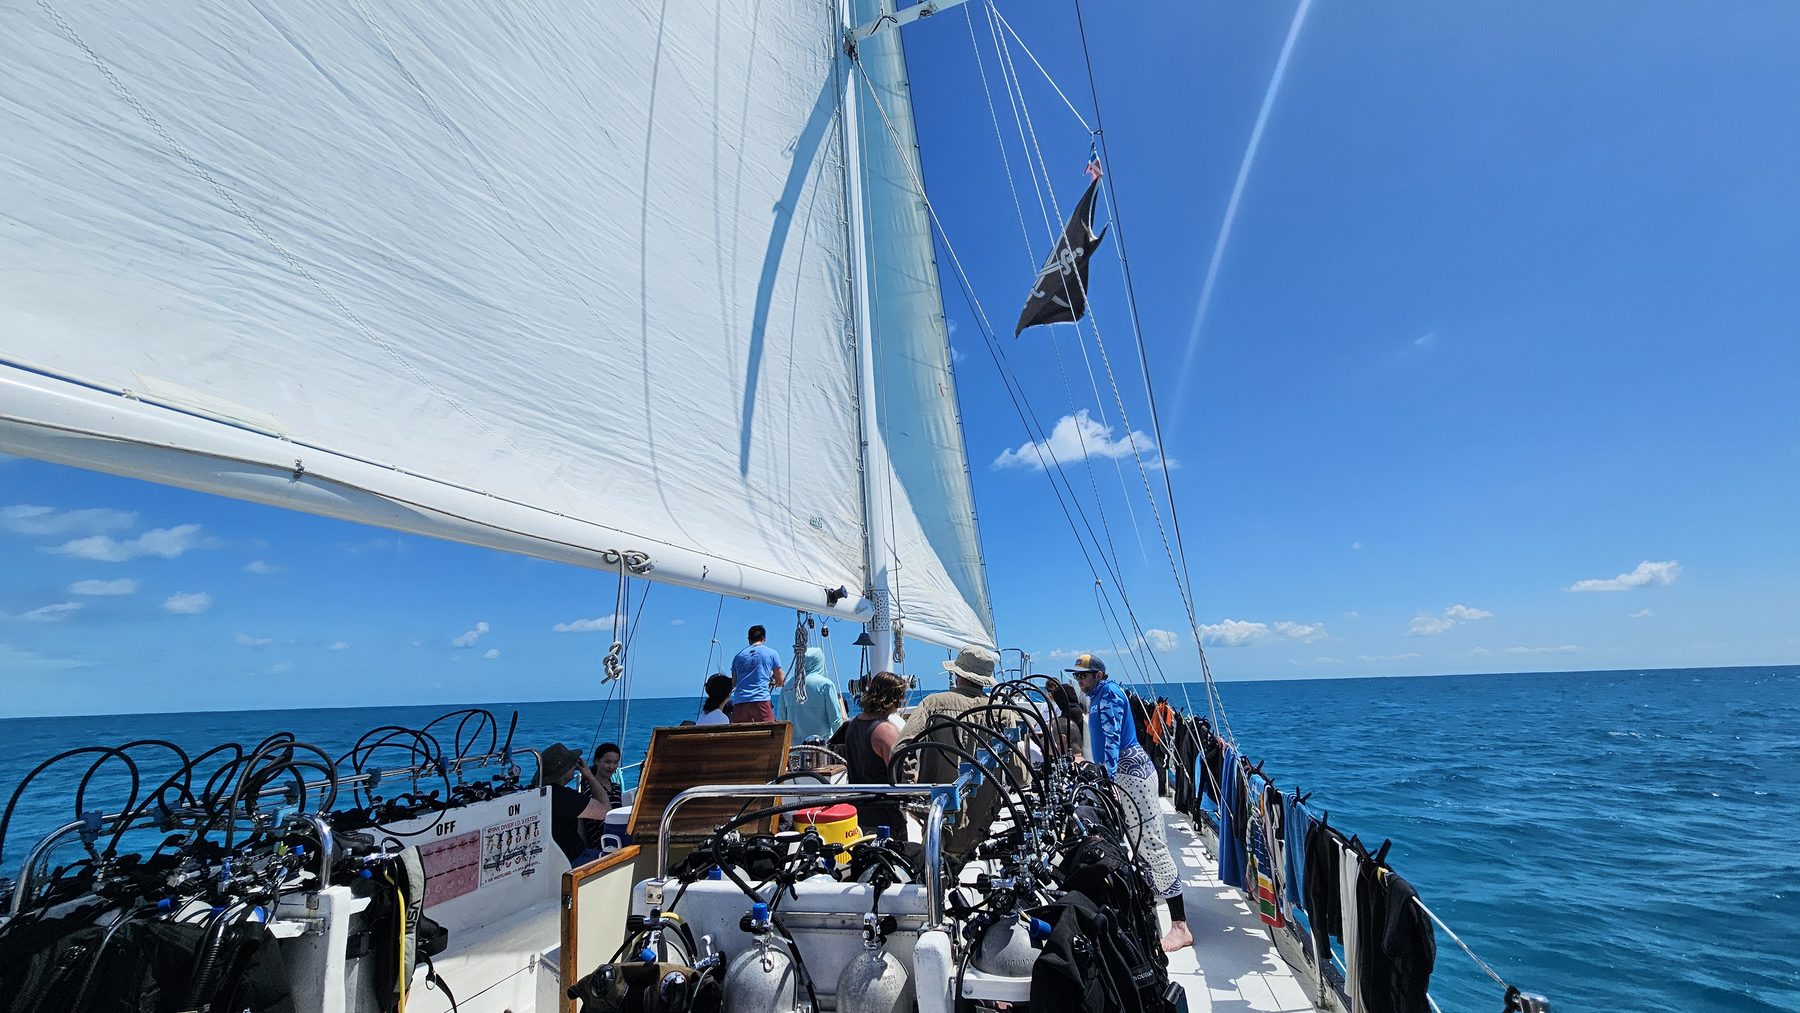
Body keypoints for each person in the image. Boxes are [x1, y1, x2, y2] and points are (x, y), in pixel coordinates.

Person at [1067, 654, 1192, 952]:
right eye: (1077, 676)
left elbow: (1110, 738)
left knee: (1151, 845)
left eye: (1083, 676)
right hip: (1124, 774)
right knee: (1137, 842)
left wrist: (1107, 779)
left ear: (1099, 675)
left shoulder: (1108, 694)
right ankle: (1154, 892)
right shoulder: (1097, 695)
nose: (1079, 681)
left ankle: (1180, 927)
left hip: (1130, 774)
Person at [899, 644, 1001, 859]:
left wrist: (914, 796)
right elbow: (1019, 775)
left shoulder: (933, 704)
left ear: (957, 675)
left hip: (940, 816)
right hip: (984, 821)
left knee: (934, 874)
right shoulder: (1000, 709)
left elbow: (901, 750)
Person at [831, 670, 909, 842]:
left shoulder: (853, 724)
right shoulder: (885, 731)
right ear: (892, 698)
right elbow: (899, 778)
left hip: (860, 811)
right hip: (885, 815)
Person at [540, 742, 611, 866]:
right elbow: (606, 811)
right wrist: (589, 775)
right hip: (574, 859)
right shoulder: (564, 797)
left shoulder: (542, 793)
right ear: (564, 770)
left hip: (553, 860)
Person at [784, 645, 846, 744]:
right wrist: (842, 742)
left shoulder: (788, 686)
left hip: (794, 748)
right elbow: (835, 719)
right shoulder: (826, 685)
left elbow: (782, 718)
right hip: (821, 748)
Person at [728, 624, 785, 723]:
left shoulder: (738, 656)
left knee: (741, 736)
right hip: (761, 701)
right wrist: (774, 682)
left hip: (740, 703)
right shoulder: (772, 653)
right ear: (764, 638)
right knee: (768, 735)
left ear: (748, 639)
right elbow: (780, 681)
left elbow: (734, 683)